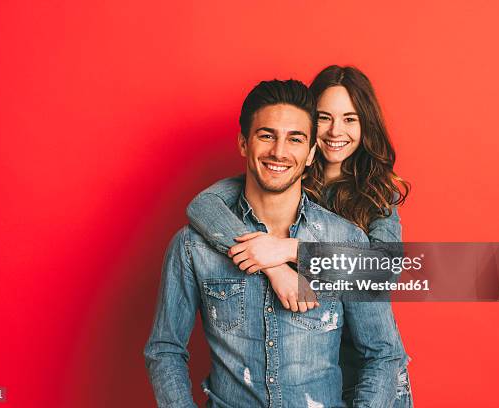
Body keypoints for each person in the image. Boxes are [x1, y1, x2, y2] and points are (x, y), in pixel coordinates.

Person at [145, 79, 406, 407]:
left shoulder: (348, 239)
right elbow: (165, 350)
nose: (279, 151)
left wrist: (289, 251)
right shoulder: (192, 246)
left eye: (295, 139)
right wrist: (275, 267)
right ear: (243, 143)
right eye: (267, 135)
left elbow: (382, 354)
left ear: (311, 152)